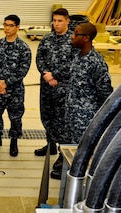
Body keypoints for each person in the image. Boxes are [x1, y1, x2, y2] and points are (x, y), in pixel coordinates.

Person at [51, 22, 113, 179]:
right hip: (71, 114)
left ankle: (80, 179)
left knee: (83, 151)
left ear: (86, 38)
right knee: (70, 146)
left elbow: (106, 94)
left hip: (85, 119)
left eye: (75, 34)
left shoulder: (96, 63)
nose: (72, 37)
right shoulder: (78, 56)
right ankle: (69, 170)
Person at [0, 14, 31, 157]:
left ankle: (14, 141)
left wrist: (6, 82)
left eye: (10, 25)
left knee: (15, 117)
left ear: (18, 27)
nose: (7, 28)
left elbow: (23, 70)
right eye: (5, 24)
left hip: (15, 90)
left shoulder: (24, 48)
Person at [35, 8, 73, 172]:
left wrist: (55, 75)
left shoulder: (73, 40)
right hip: (47, 86)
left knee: (62, 120)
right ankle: (50, 144)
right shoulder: (47, 38)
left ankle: (61, 154)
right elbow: (39, 57)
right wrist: (46, 75)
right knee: (47, 116)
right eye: (54, 21)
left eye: (60, 21)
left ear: (67, 21)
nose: (56, 24)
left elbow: (73, 63)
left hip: (63, 87)